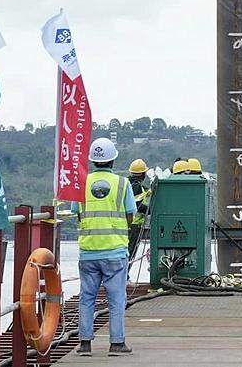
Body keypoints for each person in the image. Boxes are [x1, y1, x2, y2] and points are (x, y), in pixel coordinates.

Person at [77, 137, 134, 356]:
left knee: (87, 297)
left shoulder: (82, 183)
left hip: (88, 250)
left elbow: (79, 215)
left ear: (92, 160)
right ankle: (117, 343)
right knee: (117, 298)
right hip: (115, 251)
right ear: (113, 160)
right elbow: (130, 215)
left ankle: (84, 344)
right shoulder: (123, 183)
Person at [127, 159, 150, 260]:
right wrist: (149, 209)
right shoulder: (136, 186)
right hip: (134, 225)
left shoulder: (127, 184)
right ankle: (125, 274)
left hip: (127, 224)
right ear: (143, 174)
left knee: (127, 253)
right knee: (130, 254)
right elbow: (137, 206)